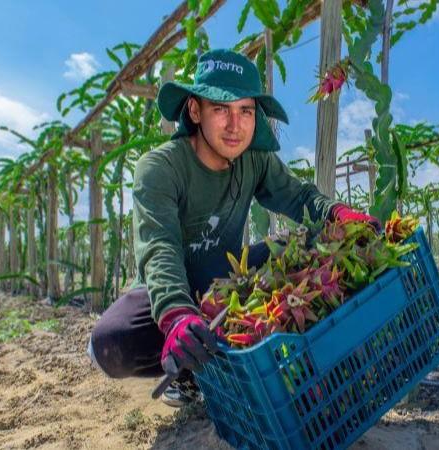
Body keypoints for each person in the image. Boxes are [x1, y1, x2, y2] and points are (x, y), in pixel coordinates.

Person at [86, 49, 379, 407]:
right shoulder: (160, 167)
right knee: (111, 344)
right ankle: (189, 369)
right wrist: (178, 315)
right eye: (221, 109)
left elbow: (298, 197)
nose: (235, 125)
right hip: (168, 287)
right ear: (195, 111)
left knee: (307, 244)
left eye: (246, 111)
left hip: (227, 280)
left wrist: (339, 214)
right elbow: (159, 248)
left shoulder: (254, 159)